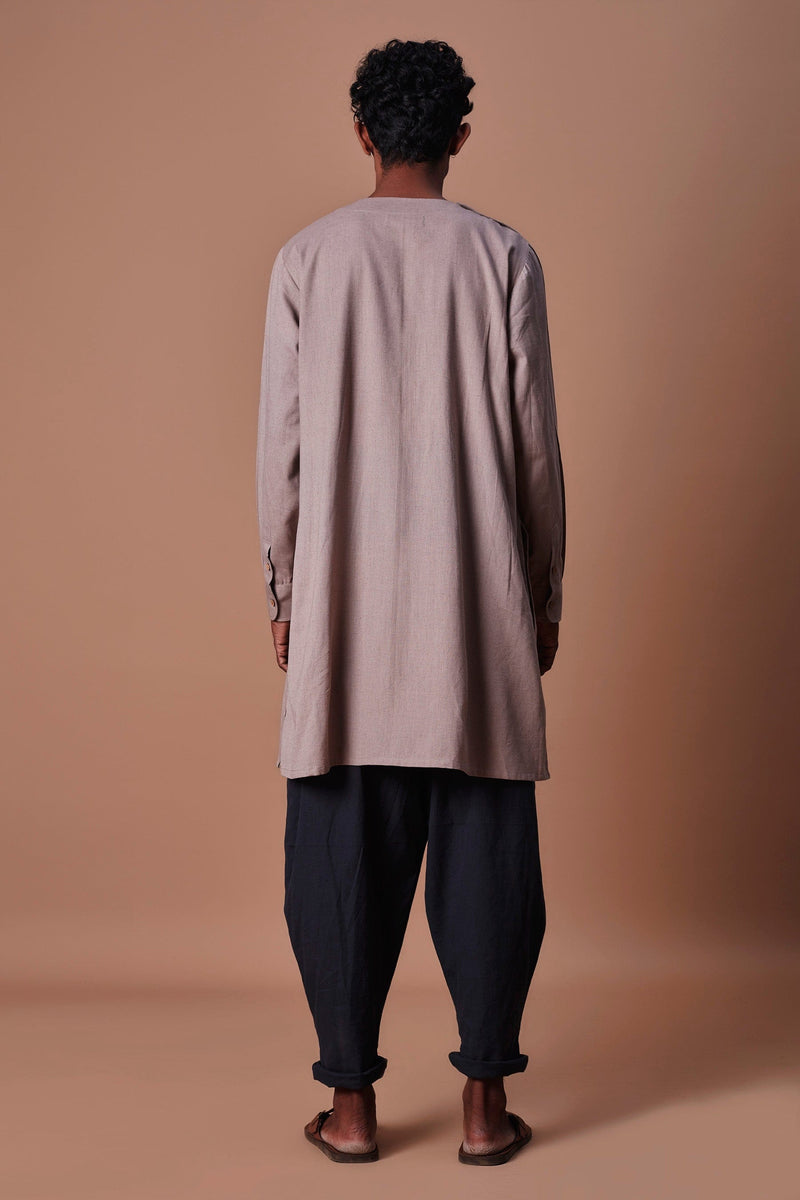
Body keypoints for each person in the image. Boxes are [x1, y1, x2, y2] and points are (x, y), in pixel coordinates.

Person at [255, 37, 566, 1166]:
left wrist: (285, 589)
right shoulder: (502, 256)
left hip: (345, 609)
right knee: (488, 854)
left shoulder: (308, 257)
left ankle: (350, 1114)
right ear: (458, 137)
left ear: (362, 133)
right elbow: (533, 448)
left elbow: (282, 447)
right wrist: (540, 594)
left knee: (337, 853)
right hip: (474, 606)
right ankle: (484, 1112)